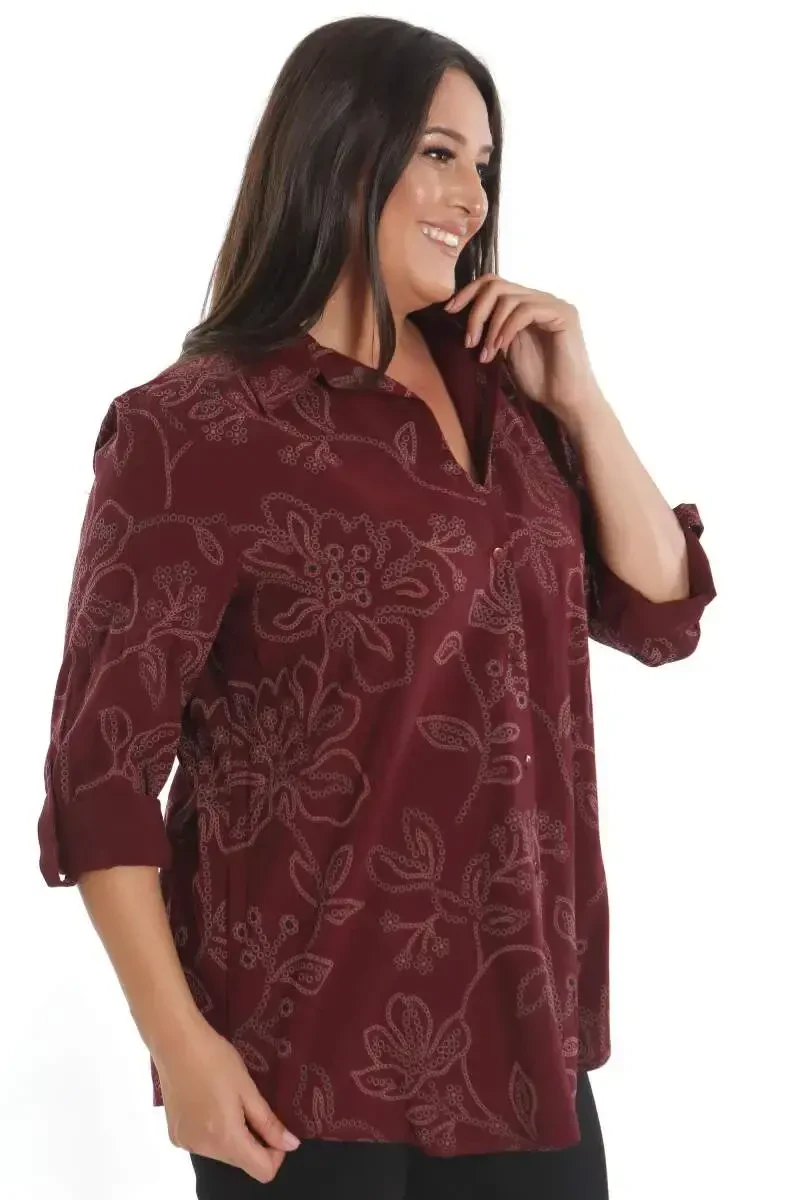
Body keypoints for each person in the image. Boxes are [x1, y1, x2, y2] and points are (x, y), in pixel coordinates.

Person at [36, 15, 716, 1199]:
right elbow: (100, 772)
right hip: (300, 1063)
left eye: (483, 164)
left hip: (523, 1041)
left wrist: (582, 398)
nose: (471, 195)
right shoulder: (196, 427)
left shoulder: (506, 397)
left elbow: (661, 611)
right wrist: (179, 1047)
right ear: (340, 153)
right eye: (438, 153)